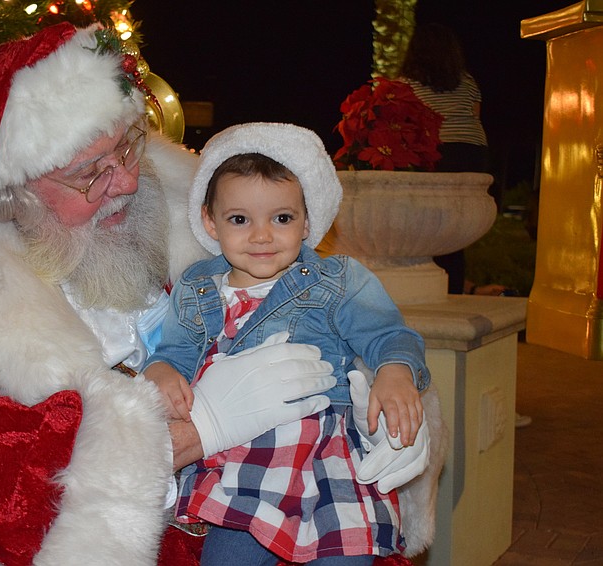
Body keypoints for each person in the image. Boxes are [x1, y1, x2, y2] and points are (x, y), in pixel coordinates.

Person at [0, 23, 343, 566]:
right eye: (88, 175)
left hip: (256, 499)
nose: (126, 183)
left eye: (127, 149)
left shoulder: (199, 211)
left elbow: (313, 305)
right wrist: (195, 432)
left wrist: (366, 404)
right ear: (11, 196)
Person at [143, 123, 432, 565]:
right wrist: (162, 370)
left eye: (281, 218)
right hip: (240, 466)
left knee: (344, 555)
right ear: (209, 221)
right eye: (240, 219)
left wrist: (394, 372)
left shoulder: (337, 280)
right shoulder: (196, 286)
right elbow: (175, 353)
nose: (261, 236)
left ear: (307, 221)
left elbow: (390, 335)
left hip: (326, 459)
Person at [399, 22, 488, 295]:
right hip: (472, 152)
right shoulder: (468, 81)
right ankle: (455, 288)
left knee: (432, 227)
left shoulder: (407, 85)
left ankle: (435, 288)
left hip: (437, 151)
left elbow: (405, 126)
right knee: (454, 229)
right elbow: (475, 116)